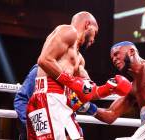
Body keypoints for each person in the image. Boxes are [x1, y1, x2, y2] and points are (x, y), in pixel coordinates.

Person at [26, 11, 132, 140]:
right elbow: (44, 60)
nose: (94, 39)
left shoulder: (80, 59)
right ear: (87, 24)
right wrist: (71, 82)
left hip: (60, 102)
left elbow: (87, 90)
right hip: (49, 98)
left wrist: (109, 88)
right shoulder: (67, 31)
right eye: (95, 32)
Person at [14, 64, 38, 140]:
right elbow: (21, 99)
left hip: (57, 128)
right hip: (36, 129)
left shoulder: (68, 75)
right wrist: (30, 125)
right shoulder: (39, 70)